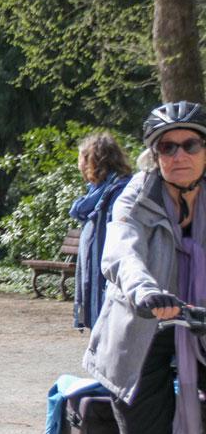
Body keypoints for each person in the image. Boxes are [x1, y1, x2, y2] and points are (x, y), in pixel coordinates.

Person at [83, 101, 206, 434]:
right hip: (143, 329)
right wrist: (143, 290)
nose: (179, 154)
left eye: (190, 144)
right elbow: (122, 248)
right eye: (167, 146)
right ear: (154, 155)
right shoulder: (137, 195)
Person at [71, 132, 133, 330]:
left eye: (81, 159)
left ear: (94, 160)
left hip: (112, 281)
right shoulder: (95, 194)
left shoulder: (121, 191)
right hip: (94, 279)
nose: (79, 165)